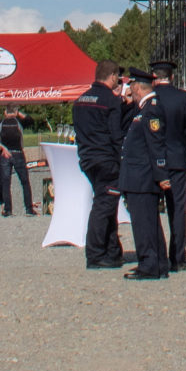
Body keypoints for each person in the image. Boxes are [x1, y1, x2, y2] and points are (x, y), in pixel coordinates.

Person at [118, 67, 173, 279]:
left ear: (138, 88)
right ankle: (158, 263)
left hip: (143, 176)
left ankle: (149, 265)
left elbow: (156, 144)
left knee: (143, 223)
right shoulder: (142, 109)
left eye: (132, 87)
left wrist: (161, 174)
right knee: (149, 221)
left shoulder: (151, 110)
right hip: (139, 175)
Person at [72, 60, 127, 269]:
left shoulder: (80, 100)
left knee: (108, 202)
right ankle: (95, 253)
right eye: (117, 77)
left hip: (87, 159)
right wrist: (120, 159)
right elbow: (115, 135)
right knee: (103, 206)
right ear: (112, 76)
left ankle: (112, 251)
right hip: (106, 160)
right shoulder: (110, 101)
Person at [146, 60, 186, 266]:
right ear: (172, 76)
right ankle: (177, 257)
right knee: (177, 209)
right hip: (176, 159)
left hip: (152, 160)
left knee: (149, 209)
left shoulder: (151, 99)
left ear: (154, 77)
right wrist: (183, 151)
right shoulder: (184, 98)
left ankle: (154, 254)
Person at [0, 108, 34, 216]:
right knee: (25, 182)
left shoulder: (0, 123)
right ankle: (29, 208)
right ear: (16, 112)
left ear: (5, 112)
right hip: (18, 153)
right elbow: (31, 120)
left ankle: (8, 209)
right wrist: (20, 114)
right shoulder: (19, 122)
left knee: (6, 182)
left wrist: (2, 147)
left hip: (5, 154)